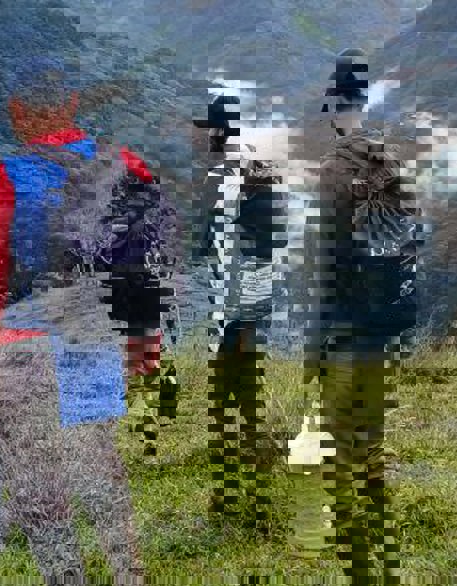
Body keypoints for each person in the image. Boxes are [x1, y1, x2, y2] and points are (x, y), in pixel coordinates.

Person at [0, 73, 170, 585]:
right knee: (99, 464)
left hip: (20, 348)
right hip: (93, 337)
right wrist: (145, 335)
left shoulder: (2, 179)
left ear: (17, 111)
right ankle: (126, 575)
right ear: (72, 103)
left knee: (36, 483)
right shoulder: (128, 167)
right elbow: (153, 260)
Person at [299, 49, 420, 585]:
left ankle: (360, 573)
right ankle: (387, 566)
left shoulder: (334, 167)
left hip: (346, 325)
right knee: (371, 443)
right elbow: (412, 244)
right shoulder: (389, 161)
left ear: (331, 108)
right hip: (384, 326)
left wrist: (315, 342)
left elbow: (328, 258)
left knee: (339, 452)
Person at [194, 92, 287, 531]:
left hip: (237, 306)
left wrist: (237, 316)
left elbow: (230, 247)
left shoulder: (229, 176)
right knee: (238, 398)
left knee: (229, 399)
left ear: (217, 131)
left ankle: (240, 499)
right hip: (245, 303)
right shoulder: (252, 171)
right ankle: (245, 496)